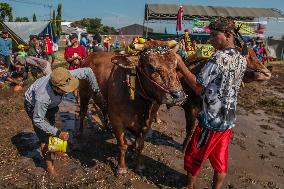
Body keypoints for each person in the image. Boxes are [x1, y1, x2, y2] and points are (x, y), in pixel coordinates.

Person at [177, 18, 250, 189]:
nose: (210, 40)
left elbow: (198, 87)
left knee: (194, 155)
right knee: (220, 159)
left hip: (211, 120)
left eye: (214, 35)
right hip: (228, 120)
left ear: (228, 35)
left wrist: (180, 63)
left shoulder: (218, 58)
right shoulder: (241, 58)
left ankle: (189, 186)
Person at [24, 67, 106, 176]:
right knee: (46, 138)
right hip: (33, 106)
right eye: (65, 89)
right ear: (56, 88)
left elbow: (88, 71)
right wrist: (58, 133)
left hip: (52, 104)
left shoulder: (64, 76)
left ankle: (57, 150)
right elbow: (38, 120)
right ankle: (50, 167)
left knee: (56, 127)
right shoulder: (43, 96)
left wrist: (96, 91)